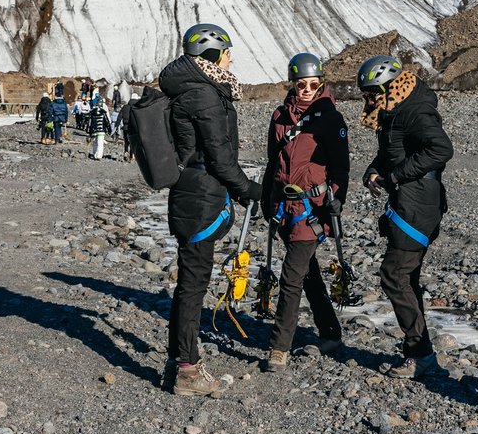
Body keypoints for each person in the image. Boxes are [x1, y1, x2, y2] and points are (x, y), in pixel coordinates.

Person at [160, 23, 262, 397]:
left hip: (190, 192)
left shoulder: (191, 88)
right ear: (212, 54)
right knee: (193, 284)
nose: (231, 58)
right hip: (201, 196)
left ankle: (179, 360)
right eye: (227, 51)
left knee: (189, 280)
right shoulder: (203, 94)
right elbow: (219, 155)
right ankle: (187, 370)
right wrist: (249, 189)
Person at [358, 55, 453, 379]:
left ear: (386, 87)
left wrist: (396, 176)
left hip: (418, 203)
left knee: (394, 275)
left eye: (370, 93)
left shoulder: (414, 109)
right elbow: (392, 152)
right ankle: (419, 353)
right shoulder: (394, 109)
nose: (367, 100)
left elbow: (440, 150)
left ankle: (422, 356)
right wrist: (375, 171)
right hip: (409, 200)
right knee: (406, 277)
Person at [260, 52, 349, 371]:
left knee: (291, 276)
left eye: (314, 84)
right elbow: (273, 162)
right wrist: (265, 201)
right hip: (284, 207)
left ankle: (279, 347)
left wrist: (337, 198)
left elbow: (341, 169)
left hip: (313, 209)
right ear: (293, 84)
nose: (308, 90)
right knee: (307, 273)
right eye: (302, 84)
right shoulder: (279, 117)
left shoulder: (331, 119)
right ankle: (331, 332)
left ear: (321, 83)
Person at [87, 89, 109, 160]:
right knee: (100, 144)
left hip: (94, 130)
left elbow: (90, 122)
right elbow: (107, 121)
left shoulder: (92, 112)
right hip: (102, 131)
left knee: (95, 143)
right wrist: (109, 129)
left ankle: (94, 154)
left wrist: (89, 130)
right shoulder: (103, 112)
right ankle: (99, 156)